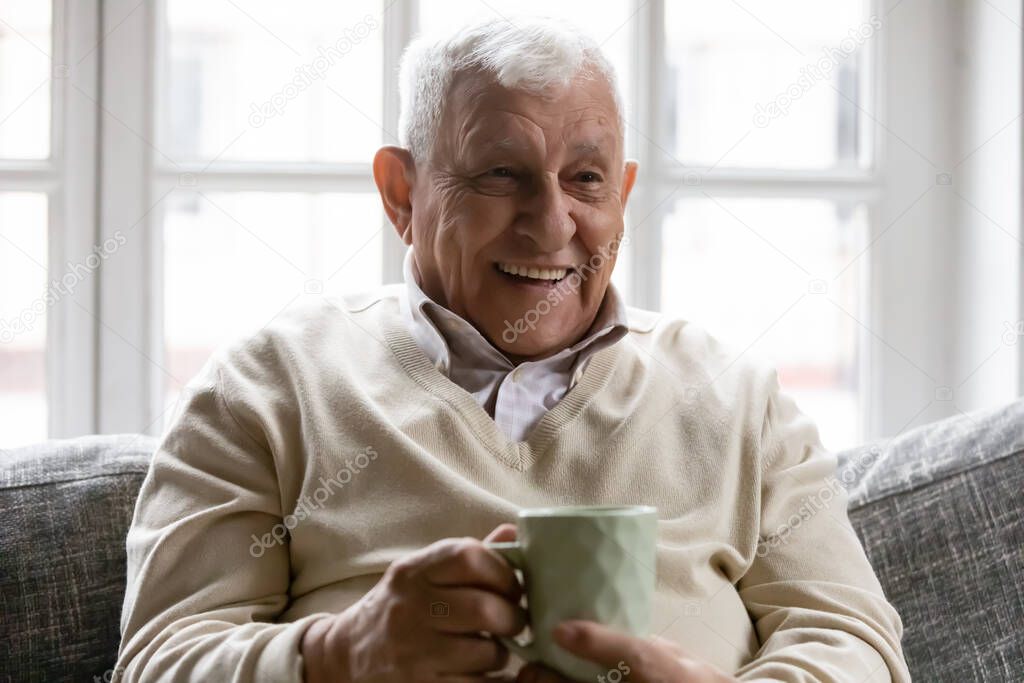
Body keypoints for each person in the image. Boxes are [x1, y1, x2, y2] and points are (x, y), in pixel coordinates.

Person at [115, 16, 910, 683]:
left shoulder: (738, 398)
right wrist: (337, 653)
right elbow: (160, 659)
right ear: (402, 193)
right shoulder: (265, 387)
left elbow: (859, 645)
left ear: (623, 194)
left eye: (586, 179)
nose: (553, 221)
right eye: (503, 175)